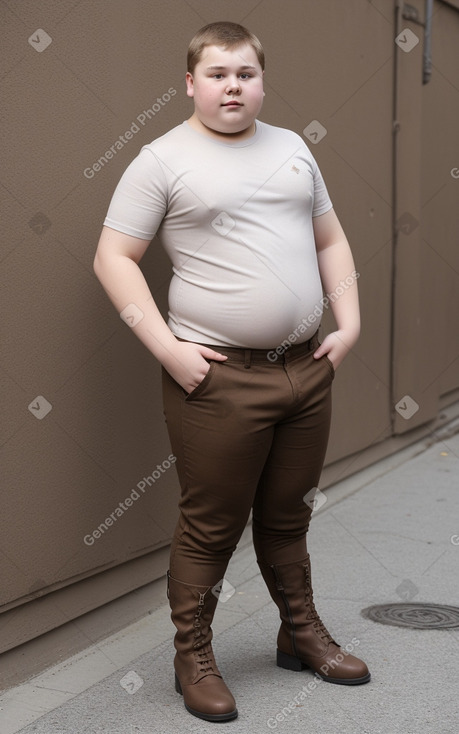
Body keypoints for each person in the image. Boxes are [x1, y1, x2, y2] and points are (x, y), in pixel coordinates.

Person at [94, 20, 370, 724]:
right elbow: (113, 258)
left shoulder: (291, 147)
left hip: (305, 372)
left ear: (260, 80)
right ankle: (194, 657)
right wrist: (168, 349)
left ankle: (298, 633)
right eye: (217, 74)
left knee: (287, 516)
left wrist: (350, 320)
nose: (232, 86)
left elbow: (330, 239)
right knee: (210, 527)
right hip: (217, 381)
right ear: (190, 82)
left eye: (244, 74)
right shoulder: (161, 159)